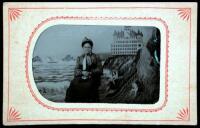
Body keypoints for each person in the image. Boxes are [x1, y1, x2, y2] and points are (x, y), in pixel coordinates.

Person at [65, 37, 103, 102]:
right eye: (85, 47)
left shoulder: (96, 57)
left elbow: (100, 70)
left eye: (89, 47)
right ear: (83, 48)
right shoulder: (80, 58)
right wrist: (82, 72)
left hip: (93, 76)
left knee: (89, 85)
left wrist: (90, 72)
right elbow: (76, 70)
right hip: (82, 76)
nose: (87, 49)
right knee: (73, 83)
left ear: (91, 48)